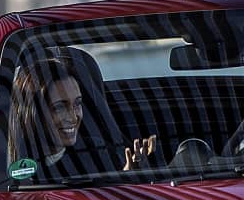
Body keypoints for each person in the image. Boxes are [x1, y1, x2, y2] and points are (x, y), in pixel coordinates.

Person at [10, 57, 155, 179]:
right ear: (32, 112)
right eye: (60, 107)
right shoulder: (4, 165)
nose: (74, 117)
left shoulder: (100, 154)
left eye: (77, 104)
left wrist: (128, 177)